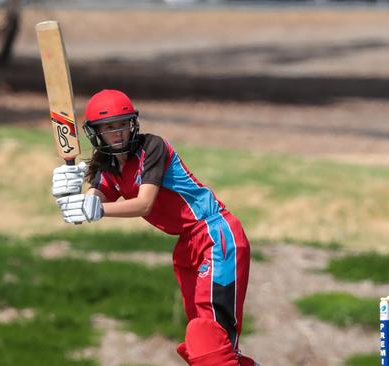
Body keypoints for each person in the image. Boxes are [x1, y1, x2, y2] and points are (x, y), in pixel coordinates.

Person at [52, 89, 259, 366]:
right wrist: (68, 198)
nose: (117, 133)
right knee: (200, 342)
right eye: (108, 128)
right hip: (187, 246)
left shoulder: (152, 147)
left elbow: (143, 204)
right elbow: (87, 209)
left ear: (132, 124)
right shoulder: (108, 167)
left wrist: (95, 209)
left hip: (215, 233)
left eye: (121, 125)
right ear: (96, 132)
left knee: (212, 339)